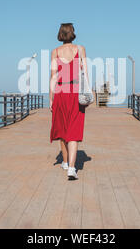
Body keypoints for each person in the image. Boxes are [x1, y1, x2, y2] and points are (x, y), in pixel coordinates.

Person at [49, 23, 88, 180]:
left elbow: (53, 76)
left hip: (60, 92)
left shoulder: (55, 52)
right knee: (73, 129)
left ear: (60, 34)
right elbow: (85, 73)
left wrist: (51, 98)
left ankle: (67, 163)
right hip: (75, 92)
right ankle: (70, 167)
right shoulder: (80, 49)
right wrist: (88, 92)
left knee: (63, 127)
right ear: (72, 33)